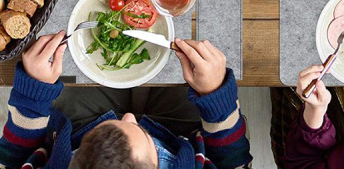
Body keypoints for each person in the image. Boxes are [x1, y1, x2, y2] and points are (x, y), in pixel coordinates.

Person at [0, 32, 252, 169]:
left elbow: (12, 157)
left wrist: (34, 89)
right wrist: (215, 94)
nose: (127, 117)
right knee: (202, 44)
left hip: (77, 126)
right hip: (184, 133)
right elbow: (233, 160)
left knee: (66, 61)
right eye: (138, 130)